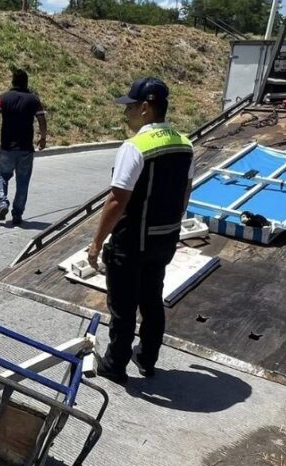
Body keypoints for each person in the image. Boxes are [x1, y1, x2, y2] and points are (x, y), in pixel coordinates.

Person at [86, 77, 195, 383]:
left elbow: (116, 200)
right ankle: (147, 359)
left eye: (131, 107)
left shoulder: (135, 147)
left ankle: (115, 365)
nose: (127, 113)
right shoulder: (184, 144)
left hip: (133, 241)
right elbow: (185, 191)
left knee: (122, 305)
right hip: (164, 239)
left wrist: (96, 243)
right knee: (151, 300)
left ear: (146, 108)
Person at [0, 68, 47, 226]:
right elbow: (41, 119)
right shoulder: (34, 100)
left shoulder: (4, 98)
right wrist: (42, 137)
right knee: (23, 182)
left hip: (7, 147)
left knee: (2, 176)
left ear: (13, 82)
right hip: (26, 149)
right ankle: (17, 215)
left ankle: (3, 203)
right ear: (26, 83)